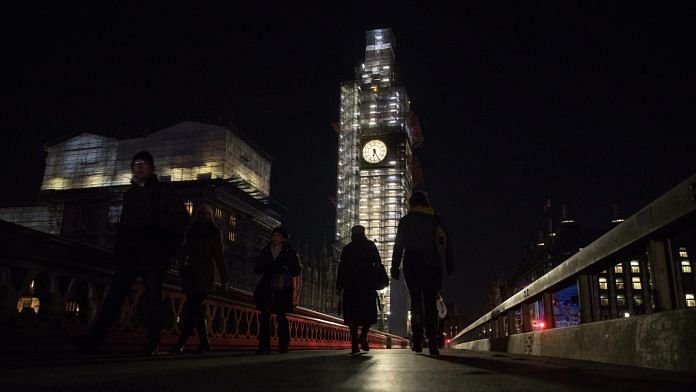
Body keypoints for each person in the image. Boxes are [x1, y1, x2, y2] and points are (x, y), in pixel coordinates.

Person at [74, 151, 189, 355]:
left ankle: (152, 342)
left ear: (151, 168)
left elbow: (181, 223)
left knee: (153, 300)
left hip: (153, 256)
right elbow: (124, 228)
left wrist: (166, 250)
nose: (139, 167)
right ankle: (95, 339)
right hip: (129, 255)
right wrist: (119, 253)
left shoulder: (163, 192)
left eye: (143, 163)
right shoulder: (130, 194)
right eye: (135, 164)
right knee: (114, 297)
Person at [391, 191, 454, 356]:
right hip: (432, 265)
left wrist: (394, 267)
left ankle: (417, 341)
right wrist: (450, 265)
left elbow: (399, 246)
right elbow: (446, 240)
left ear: (411, 204)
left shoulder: (405, 221)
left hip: (412, 264)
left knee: (416, 303)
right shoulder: (435, 217)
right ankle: (433, 343)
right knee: (430, 303)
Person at [170, 205, 229, 354]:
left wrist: (224, 280)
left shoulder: (214, 233)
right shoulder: (191, 232)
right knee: (195, 311)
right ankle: (204, 343)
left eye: (206, 213)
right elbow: (184, 251)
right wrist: (181, 267)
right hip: (190, 274)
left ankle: (180, 344)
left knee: (192, 309)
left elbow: (219, 257)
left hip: (204, 275)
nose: (203, 216)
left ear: (211, 216)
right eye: (201, 213)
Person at [253, 226, 301, 354]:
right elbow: (256, 268)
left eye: (278, 236)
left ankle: (283, 345)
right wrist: (267, 267)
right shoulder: (265, 250)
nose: (275, 238)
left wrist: (284, 267)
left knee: (281, 317)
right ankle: (263, 346)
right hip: (267, 287)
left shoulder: (289, 252)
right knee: (264, 317)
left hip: (282, 288)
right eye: (274, 235)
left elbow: (297, 270)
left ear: (283, 239)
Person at [336, 225, 382, 355]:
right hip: (367, 286)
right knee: (368, 315)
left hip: (351, 288)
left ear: (352, 235)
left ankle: (355, 343)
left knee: (352, 317)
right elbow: (378, 263)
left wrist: (339, 286)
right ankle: (363, 337)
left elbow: (341, 269)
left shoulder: (347, 249)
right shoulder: (370, 246)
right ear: (364, 234)